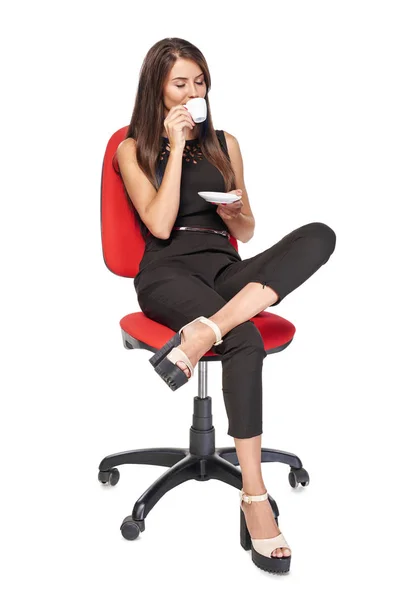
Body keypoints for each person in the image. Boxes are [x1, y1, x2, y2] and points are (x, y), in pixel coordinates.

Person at [116, 37, 336, 573]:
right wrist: (171, 146)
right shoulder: (131, 147)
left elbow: (247, 228)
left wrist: (235, 211)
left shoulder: (226, 144)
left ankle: (202, 331)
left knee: (320, 235)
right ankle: (256, 500)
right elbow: (161, 224)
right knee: (245, 338)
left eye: (200, 81)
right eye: (180, 84)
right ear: (157, 89)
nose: (194, 93)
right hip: (168, 272)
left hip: (225, 267)